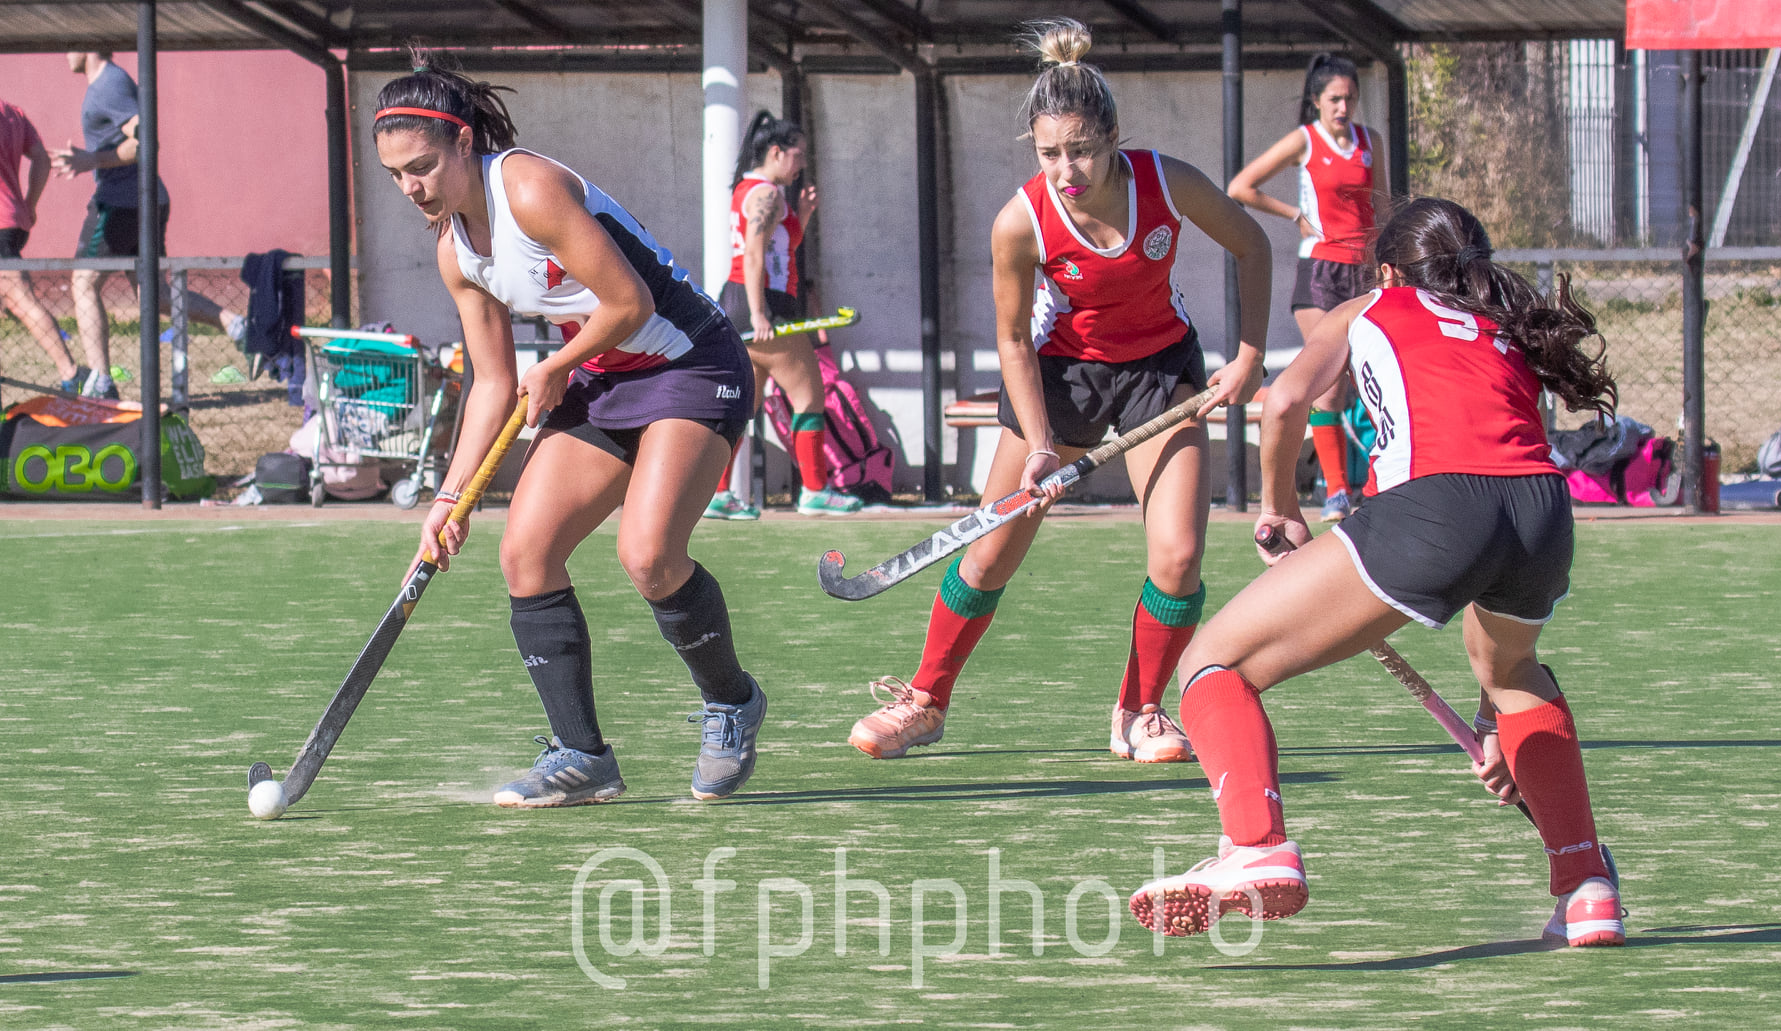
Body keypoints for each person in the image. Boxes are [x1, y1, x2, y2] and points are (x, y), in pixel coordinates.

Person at [1129, 197, 1625, 949]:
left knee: (1211, 665)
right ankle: (1586, 885)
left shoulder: (1376, 301)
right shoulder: (1503, 320)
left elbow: (1286, 397)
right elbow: (1494, 479)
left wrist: (1280, 506)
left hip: (1436, 508)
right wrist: (1496, 726)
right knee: (1512, 670)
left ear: (1391, 269)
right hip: (1543, 511)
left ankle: (1257, 845)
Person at [846, 18, 1271, 764]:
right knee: (988, 555)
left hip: (1159, 372)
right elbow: (1013, 339)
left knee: (1177, 557)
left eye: (1081, 151)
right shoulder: (1021, 222)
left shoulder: (1165, 183)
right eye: (1050, 153)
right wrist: (1042, 442)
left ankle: (1139, 711)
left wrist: (1249, 356)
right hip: (1060, 373)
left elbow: (1251, 244)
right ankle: (925, 699)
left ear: (1112, 139)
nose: (1066, 170)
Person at [372, 52, 766, 807]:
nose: (411, 187)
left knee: (648, 554)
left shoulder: (528, 188)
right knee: (526, 552)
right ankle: (582, 757)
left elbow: (628, 302)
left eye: (421, 166)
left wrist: (557, 367)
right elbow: (490, 381)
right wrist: (448, 498)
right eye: (395, 174)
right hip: (601, 379)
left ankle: (732, 702)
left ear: (464, 144)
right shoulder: (455, 250)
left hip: (687, 361)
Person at [1228, 53, 1389, 522]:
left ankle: (1384, 484)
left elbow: (1383, 204)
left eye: (1350, 98)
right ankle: (1336, 492)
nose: (1343, 107)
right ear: (1317, 101)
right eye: (1335, 99)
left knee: (1373, 376)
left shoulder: (1369, 141)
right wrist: (1295, 215)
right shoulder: (1306, 140)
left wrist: (1389, 261)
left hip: (1363, 272)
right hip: (1320, 273)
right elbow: (1242, 186)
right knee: (1330, 386)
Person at [50, 52, 245, 400]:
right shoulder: (107, 82)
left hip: (122, 202)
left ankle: (101, 382)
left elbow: (145, 142)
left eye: (70, 43)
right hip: (146, 198)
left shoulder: (108, 85)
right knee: (153, 294)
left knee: (83, 281)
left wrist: (90, 159)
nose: (65, 53)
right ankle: (235, 324)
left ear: (89, 45)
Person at [704, 110, 863, 519]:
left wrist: (803, 218)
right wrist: (760, 313)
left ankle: (717, 494)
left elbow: (777, 249)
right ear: (776, 152)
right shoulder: (768, 194)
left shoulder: (750, 189)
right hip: (764, 307)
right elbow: (755, 255)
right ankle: (814, 490)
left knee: (744, 407)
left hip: (745, 303)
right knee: (810, 394)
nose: (803, 162)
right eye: (799, 154)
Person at [0, 97, 84, 392]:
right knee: (15, 299)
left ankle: (71, 372)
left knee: (21, 300)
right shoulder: (11, 112)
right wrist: (29, 204)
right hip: (14, 220)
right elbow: (42, 159)